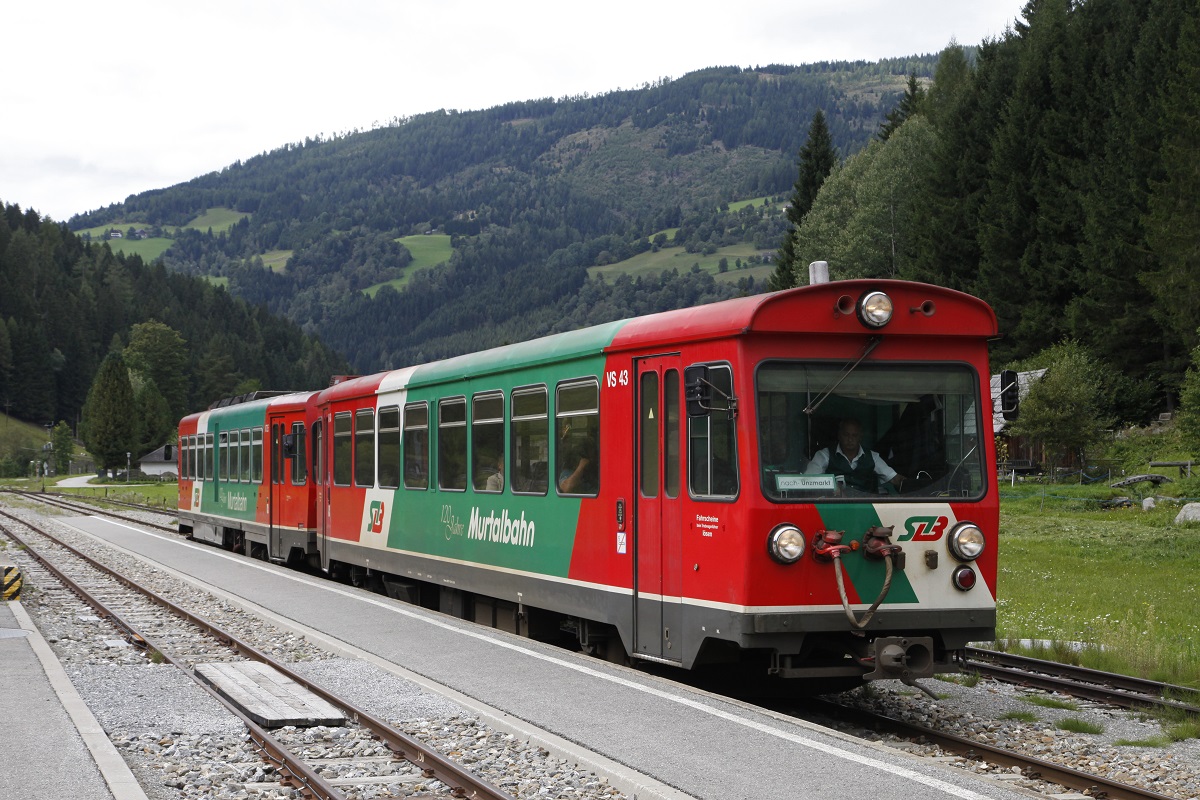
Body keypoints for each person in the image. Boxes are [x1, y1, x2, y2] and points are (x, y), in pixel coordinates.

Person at [805, 418, 905, 492]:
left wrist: (911, 487)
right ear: (839, 435)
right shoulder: (824, 455)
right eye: (846, 435)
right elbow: (808, 481)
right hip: (835, 506)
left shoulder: (873, 457)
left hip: (867, 508)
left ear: (860, 437)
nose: (850, 439)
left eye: (854, 435)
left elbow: (894, 478)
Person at [557, 420, 598, 494]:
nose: (593, 458)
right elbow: (566, 488)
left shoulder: (591, 472)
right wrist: (581, 467)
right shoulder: (568, 471)